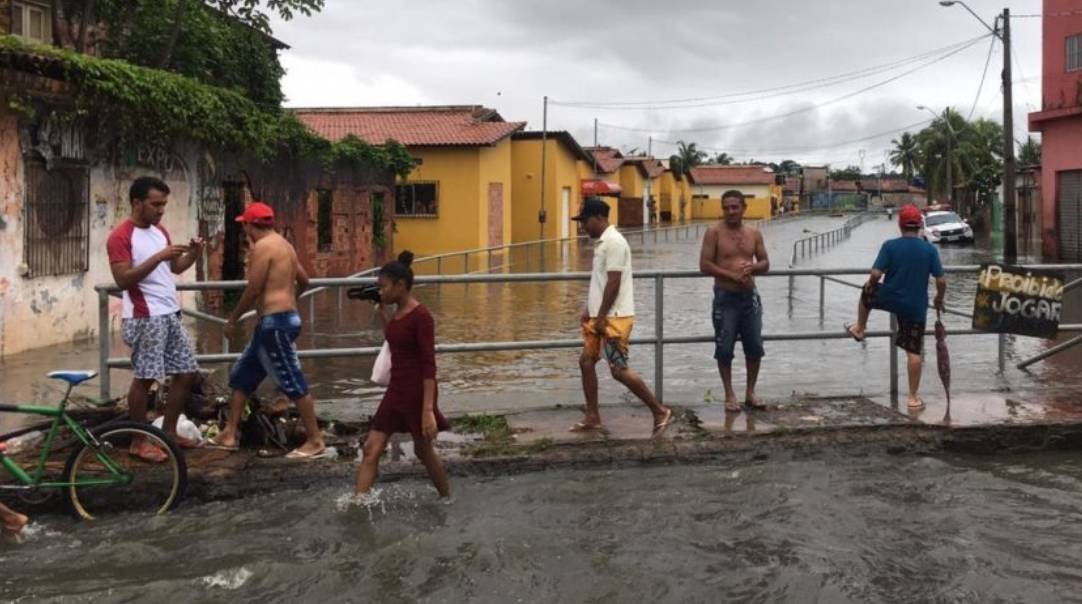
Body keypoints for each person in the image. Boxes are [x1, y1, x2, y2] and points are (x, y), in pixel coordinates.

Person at [208, 202, 326, 458]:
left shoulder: (262, 248)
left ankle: (315, 440)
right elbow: (304, 281)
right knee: (242, 376)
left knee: (292, 381)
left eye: (245, 225)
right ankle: (230, 433)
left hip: (276, 325)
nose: (244, 230)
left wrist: (233, 318)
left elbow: (253, 288)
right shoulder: (285, 246)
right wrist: (290, 299)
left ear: (250, 225)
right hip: (277, 322)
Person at [107, 176, 204, 462]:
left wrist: (195, 253)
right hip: (144, 317)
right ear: (137, 203)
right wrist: (159, 257)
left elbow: (176, 267)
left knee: (186, 372)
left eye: (163, 204)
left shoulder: (160, 231)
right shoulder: (120, 236)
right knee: (145, 378)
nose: (161, 210)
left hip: (169, 313)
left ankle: (169, 433)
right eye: (155, 204)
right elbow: (123, 279)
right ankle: (138, 441)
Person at [570, 197, 673, 435]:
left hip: (613, 318)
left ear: (598, 218)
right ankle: (592, 416)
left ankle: (659, 410)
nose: (583, 227)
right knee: (586, 362)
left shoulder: (614, 242)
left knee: (618, 369)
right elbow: (601, 282)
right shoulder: (602, 243)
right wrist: (590, 309)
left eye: (585, 221)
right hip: (601, 316)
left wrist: (602, 316)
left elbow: (614, 282)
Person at [355, 251, 451, 497]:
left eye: (384, 286)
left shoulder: (422, 317)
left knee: (423, 450)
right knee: (371, 448)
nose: (381, 291)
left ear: (400, 285)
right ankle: (357, 504)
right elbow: (396, 339)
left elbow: (429, 365)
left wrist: (428, 410)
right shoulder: (397, 313)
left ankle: (446, 497)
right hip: (396, 388)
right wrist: (380, 312)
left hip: (417, 391)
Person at [846, 204, 947, 409]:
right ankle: (912, 398)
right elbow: (941, 280)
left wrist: (871, 284)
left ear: (900, 226)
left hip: (890, 298)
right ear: (920, 226)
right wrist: (939, 299)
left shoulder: (890, 246)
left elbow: (875, 274)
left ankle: (860, 328)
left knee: (867, 292)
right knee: (914, 351)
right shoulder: (929, 249)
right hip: (915, 306)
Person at [699, 190, 770, 413]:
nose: (730, 211)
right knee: (724, 347)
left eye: (734, 207)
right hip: (725, 297)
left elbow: (766, 262)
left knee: (755, 346)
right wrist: (731, 276)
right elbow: (704, 265)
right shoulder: (714, 232)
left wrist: (753, 267)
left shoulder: (754, 234)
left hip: (750, 298)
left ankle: (750, 392)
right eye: (726, 207)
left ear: (743, 208)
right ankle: (730, 394)